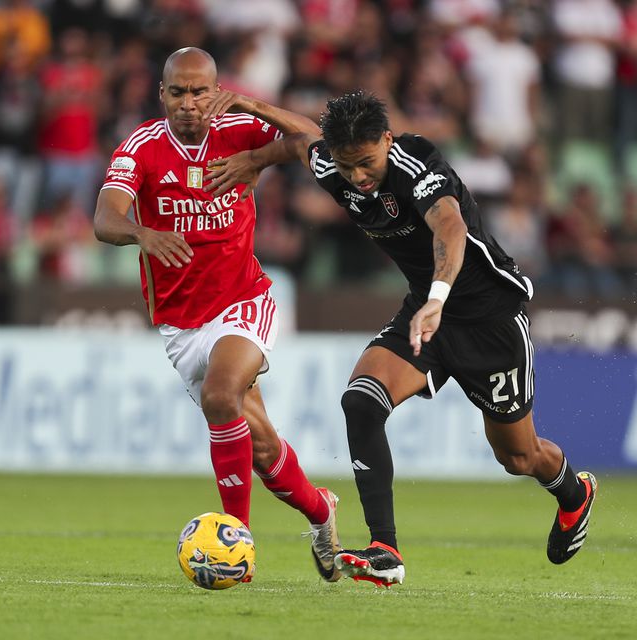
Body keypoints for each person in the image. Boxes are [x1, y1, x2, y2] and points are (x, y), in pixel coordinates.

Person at [206, 91, 598, 586]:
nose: (359, 178)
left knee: (518, 457)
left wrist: (437, 297)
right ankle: (384, 549)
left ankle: (574, 494)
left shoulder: (416, 163)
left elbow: (450, 228)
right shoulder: (336, 164)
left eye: (367, 163)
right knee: (362, 401)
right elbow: (301, 139)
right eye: (347, 166)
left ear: (387, 141)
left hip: (489, 318)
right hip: (424, 313)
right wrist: (255, 148)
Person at [93, 47, 341, 582]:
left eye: (200, 91)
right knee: (263, 447)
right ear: (162, 94)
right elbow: (104, 218)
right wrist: (143, 231)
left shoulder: (239, 130)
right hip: (183, 327)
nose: (189, 103)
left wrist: (256, 136)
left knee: (220, 395)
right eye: (177, 92)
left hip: (244, 299)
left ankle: (236, 543)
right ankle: (322, 512)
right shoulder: (142, 147)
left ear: (216, 90)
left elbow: (316, 142)